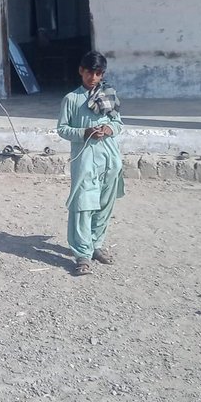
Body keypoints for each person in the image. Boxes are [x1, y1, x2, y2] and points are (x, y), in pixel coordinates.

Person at [56, 50, 125, 276]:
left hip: (110, 158)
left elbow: (118, 123)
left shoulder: (109, 95)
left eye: (98, 73)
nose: (93, 78)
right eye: (89, 72)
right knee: (83, 206)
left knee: (104, 204)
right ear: (81, 71)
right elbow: (63, 129)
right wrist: (85, 132)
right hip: (85, 160)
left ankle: (96, 245)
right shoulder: (72, 99)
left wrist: (108, 129)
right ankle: (82, 254)